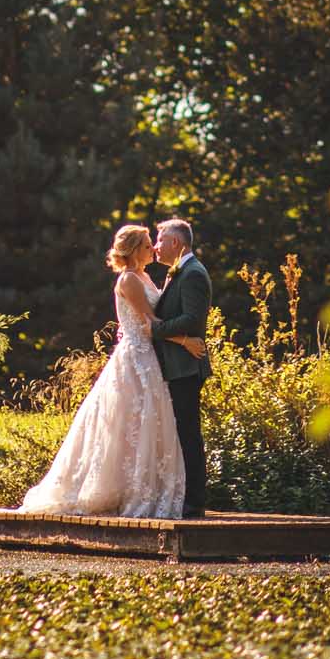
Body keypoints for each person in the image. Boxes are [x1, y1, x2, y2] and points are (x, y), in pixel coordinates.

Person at [13, 224, 206, 519]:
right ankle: (122, 490)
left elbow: (156, 321)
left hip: (149, 359)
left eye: (155, 242)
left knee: (145, 427)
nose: (153, 248)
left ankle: (145, 488)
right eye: (146, 245)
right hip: (136, 359)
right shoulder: (129, 280)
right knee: (127, 425)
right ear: (132, 251)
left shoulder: (145, 276)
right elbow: (148, 323)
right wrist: (184, 340)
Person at [147, 217, 212, 518]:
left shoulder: (193, 274)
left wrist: (153, 329)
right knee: (179, 431)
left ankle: (195, 501)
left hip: (186, 367)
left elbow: (192, 321)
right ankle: (182, 495)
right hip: (175, 365)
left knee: (188, 432)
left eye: (160, 240)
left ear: (176, 243)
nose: (156, 247)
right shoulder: (179, 272)